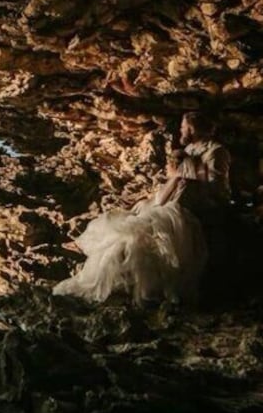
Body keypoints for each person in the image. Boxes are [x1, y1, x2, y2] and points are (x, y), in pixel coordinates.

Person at [53, 112, 231, 304]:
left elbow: (216, 187)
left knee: (146, 232)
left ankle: (145, 285)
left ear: (192, 128)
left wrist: (184, 178)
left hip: (195, 202)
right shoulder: (189, 149)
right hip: (175, 198)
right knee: (132, 221)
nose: (180, 130)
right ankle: (101, 274)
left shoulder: (216, 151)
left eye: (183, 126)